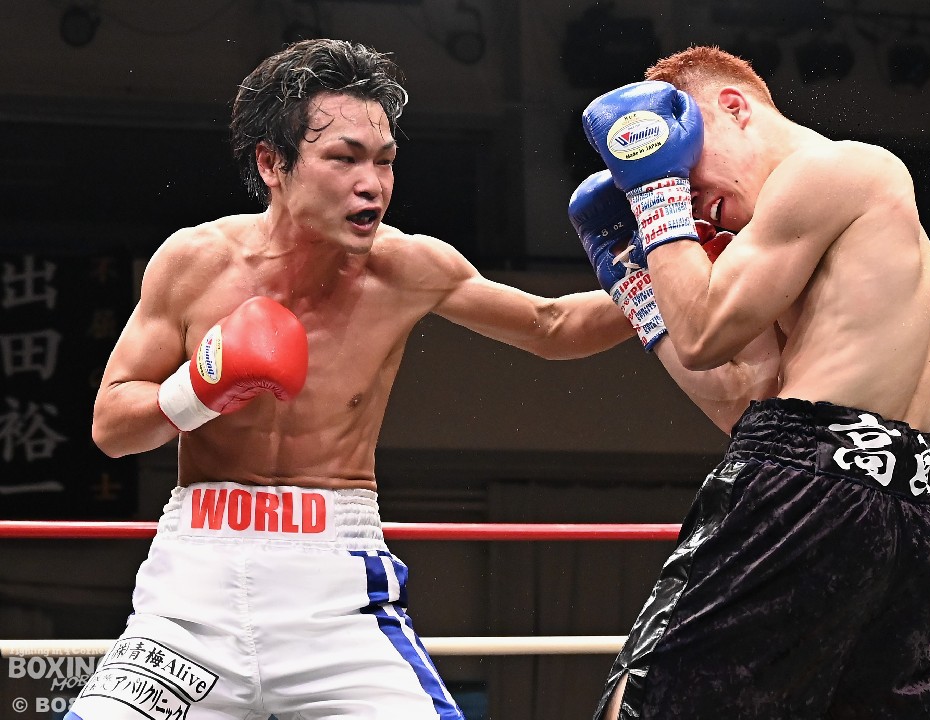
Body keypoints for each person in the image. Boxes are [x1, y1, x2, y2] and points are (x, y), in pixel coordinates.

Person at [66, 38, 646, 720]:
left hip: (337, 595)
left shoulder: (406, 268)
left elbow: (552, 326)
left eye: (385, 160)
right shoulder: (196, 262)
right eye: (344, 159)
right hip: (191, 598)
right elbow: (111, 426)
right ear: (271, 163)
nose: (372, 183)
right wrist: (201, 385)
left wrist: (666, 270)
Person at [576, 46, 930, 719]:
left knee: (650, 701)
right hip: (893, 508)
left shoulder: (839, 170)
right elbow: (738, 401)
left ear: (733, 108)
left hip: (805, 490)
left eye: (684, 165)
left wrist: (655, 198)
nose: (695, 203)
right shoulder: (801, 239)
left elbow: (702, 334)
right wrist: (641, 295)